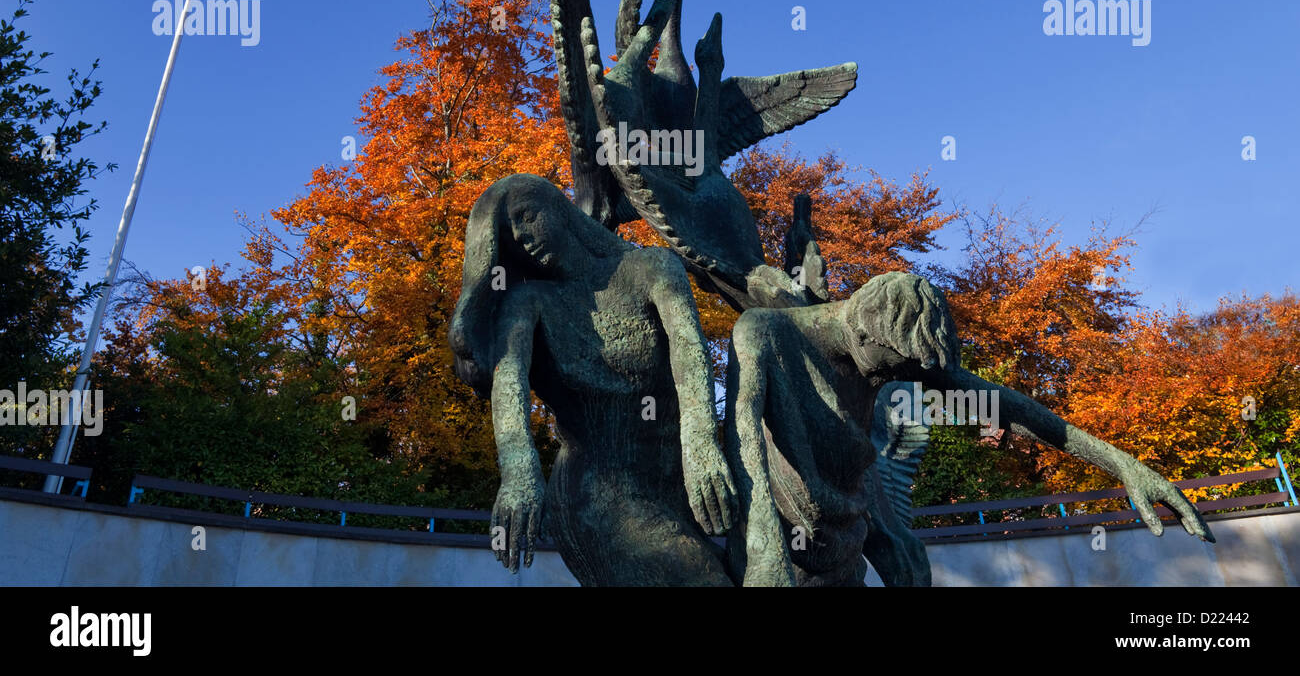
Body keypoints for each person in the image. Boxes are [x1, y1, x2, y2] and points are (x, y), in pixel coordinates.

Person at [724, 270, 1215, 586]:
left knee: (910, 568)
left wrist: (1123, 464)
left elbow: (1011, 409)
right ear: (862, 331)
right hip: (781, 550)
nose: (898, 382)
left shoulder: (893, 354)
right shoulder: (767, 333)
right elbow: (742, 432)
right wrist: (765, 550)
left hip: (845, 544)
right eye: (891, 369)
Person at [450, 173, 735, 585]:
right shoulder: (530, 303)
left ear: (556, 208)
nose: (524, 237)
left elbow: (690, 352)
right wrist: (518, 470)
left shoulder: (650, 268)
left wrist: (702, 443)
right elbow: (508, 378)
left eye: (526, 216)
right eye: (513, 237)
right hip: (596, 496)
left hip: (674, 480)